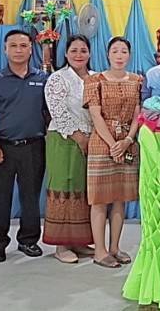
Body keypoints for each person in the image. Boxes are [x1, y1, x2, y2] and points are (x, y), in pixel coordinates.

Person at [0, 30, 50, 263]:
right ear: (5, 49)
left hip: (34, 146)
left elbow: (50, 113)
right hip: (2, 147)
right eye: (13, 46)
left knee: (31, 197)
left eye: (23, 45)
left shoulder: (43, 79)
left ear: (31, 49)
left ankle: (28, 240)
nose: (18, 50)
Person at [84, 37, 142, 268]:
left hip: (127, 141)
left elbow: (138, 113)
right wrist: (112, 144)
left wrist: (127, 140)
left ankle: (115, 247)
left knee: (120, 198)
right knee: (99, 199)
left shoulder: (137, 80)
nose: (119, 55)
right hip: (101, 143)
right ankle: (100, 251)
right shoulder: (94, 80)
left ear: (129, 55)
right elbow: (95, 115)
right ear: (108, 54)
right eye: (115, 51)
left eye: (124, 51)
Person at [43, 36, 96, 263]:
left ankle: (80, 241)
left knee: (84, 188)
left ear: (90, 54)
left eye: (83, 50)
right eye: (74, 50)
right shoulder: (58, 78)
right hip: (64, 138)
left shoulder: (96, 77)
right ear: (66, 54)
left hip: (93, 139)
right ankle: (61, 245)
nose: (78, 55)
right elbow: (57, 110)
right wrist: (78, 137)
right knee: (64, 185)